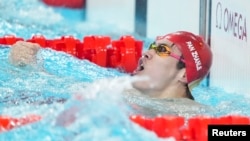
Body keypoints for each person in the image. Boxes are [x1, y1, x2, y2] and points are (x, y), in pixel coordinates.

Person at [8, 31, 213, 117]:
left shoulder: (193, 115)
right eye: (152, 46)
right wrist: (29, 67)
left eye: (162, 50)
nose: (147, 53)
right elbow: (57, 89)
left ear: (184, 75)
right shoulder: (120, 90)